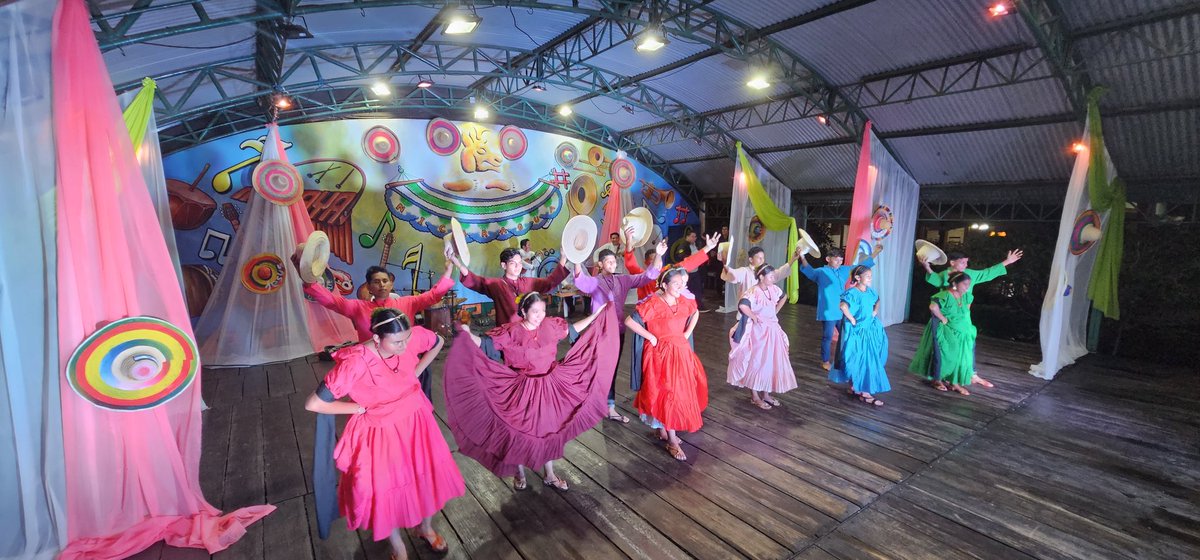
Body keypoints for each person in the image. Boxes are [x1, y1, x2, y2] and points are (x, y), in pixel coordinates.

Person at [304, 308, 464, 560]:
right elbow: (313, 403)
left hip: (415, 420)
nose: (404, 345)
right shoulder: (356, 362)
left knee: (426, 475)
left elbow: (438, 341)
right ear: (377, 338)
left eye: (406, 339)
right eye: (397, 342)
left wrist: (416, 371)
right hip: (379, 432)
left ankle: (425, 528)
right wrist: (357, 408)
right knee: (384, 488)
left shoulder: (408, 338)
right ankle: (398, 546)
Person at [444, 293, 617, 491]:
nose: (539, 315)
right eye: (535, 312)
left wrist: (596, 316)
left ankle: (549, 474)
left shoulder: (550, 326)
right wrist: (467, 334)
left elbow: (571, 330)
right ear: (524, 311)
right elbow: (485, 346)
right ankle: (520, 472)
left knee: (549, 429)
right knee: (519, 430)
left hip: (550, 385)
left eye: (543, 311)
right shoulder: (511, 332)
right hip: (521, 388)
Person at [298, 248, 455, 397]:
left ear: (391, 284)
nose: (382, 285)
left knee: (417, 401)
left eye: (385, 281)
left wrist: (448, 270)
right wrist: (309, 281)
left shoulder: (408, 302)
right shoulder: (357, 307)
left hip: (408, 364)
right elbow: (332, 301)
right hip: (374, 368)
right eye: (376, 282)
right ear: (369, 287)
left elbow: (434, 295)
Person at [574, 239, 666, 423]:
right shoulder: (594, 282)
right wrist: (576, 257)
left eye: (614, 262)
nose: (612, 264)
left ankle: (609, 407)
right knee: (598, 367)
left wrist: (659, 255)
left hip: (618, 331)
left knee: (612, 368)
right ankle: (592, 402)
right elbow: (580, 281)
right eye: (608, 262)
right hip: (600, 332)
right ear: (600, 265)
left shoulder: (622, 279)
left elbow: (648, 276)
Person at [623, 268, 706, 461]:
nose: (680, 287)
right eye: (676, 284)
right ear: (664, 285)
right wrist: (650, 336)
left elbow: (695, 312)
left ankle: (666, 432)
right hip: (661, 354)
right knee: (666, 393)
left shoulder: (683, 301)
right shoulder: (653, 303)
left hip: (681, 352)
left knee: (678, 393)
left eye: (682, 283)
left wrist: (685, 334)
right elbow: (629, 321)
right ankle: (672, 440)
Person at [918, 248, 1023, 387]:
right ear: (952, 263)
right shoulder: (945, 275)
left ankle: (971, 374)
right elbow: (936, 282)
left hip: (963, 316)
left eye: (966, 262)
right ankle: (944, 377)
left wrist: (1007, 261)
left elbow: (987, 273)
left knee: (968, 343)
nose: (965, 265)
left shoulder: (969, 274)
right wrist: (927, 266)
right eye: (962, 262)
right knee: (946, 346)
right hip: (948, 316)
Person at [800, 243, 883, 370]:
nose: (839, 262)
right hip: (828, 311)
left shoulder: (844, 270)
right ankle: (825, 361)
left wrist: (875, 253)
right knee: (828, 336)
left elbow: (861, 267)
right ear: (828, 259)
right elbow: (809, 271)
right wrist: (802, 256)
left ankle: (846, 359)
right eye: (836, 259)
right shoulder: (822, 272)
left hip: (843, 310)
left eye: (841, 259)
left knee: (846, 335)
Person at [727, 264, 797, 409]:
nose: (773, 279)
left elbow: (783, 297)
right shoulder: (753, 291)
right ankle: (755, 396)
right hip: (759, 332)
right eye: (770, 276)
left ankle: (766, 394)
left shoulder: (773, 289)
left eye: (773, 276)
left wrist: (775, 311)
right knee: (757, 362)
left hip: (773, 330)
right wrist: (754, 317)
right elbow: (743, 305)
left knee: (770, 362)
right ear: (761, 277)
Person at [452, 246, 569, 325]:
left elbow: (550, 282)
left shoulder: (528, 282)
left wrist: (563, 258)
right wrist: (456, 261)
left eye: (519, 263)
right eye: (513, 263)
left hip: (528, 332)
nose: (518, 267)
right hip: (507, 334)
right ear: (503, 265)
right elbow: (476, 281)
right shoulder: (496, 285)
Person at [829, 266, 889, 406]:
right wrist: (852, 319)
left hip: (869, 329)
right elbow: (843, 306)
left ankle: (856, 387)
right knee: (860, 358)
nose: (870, 278)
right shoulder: (852, 293)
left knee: (866, 357)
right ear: (858, 278)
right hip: (858, 331)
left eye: (870, 276)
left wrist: (875, 311)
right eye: (867, 276)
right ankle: (865, 392)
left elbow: (877, 300)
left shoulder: (870, 292)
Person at [909, 272, 977, 395]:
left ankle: (954, 382)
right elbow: (933, 307)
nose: (967, 287)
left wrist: (967, 327)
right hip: (946, 330)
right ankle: (937, 380)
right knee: (945, 355)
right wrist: (943, 318)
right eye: (965, 284)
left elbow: (966, 311)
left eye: (969, 284)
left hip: (962, 332)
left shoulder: (966, 296)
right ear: (955, 283)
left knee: (960, 357)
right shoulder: (945, 295)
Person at [629, 232, 720, 300]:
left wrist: (708, 247)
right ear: (646, 262)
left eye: (658, 258)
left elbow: (689, 263)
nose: (657, 262)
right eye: (653, 260)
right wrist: (629, 244)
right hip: (648, 314)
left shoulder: (668, 271)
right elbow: (630, 264)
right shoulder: (642, 276)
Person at [721, 245, 801, 301]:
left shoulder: (766, 271)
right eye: (759, 258)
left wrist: (792, 260)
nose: (762, 260)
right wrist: (725, 264)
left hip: (761, 313)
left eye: (763, 258)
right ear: (751, 259)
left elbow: (779, 273)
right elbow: (733, 274)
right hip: (746, 312)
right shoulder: (745, 271)